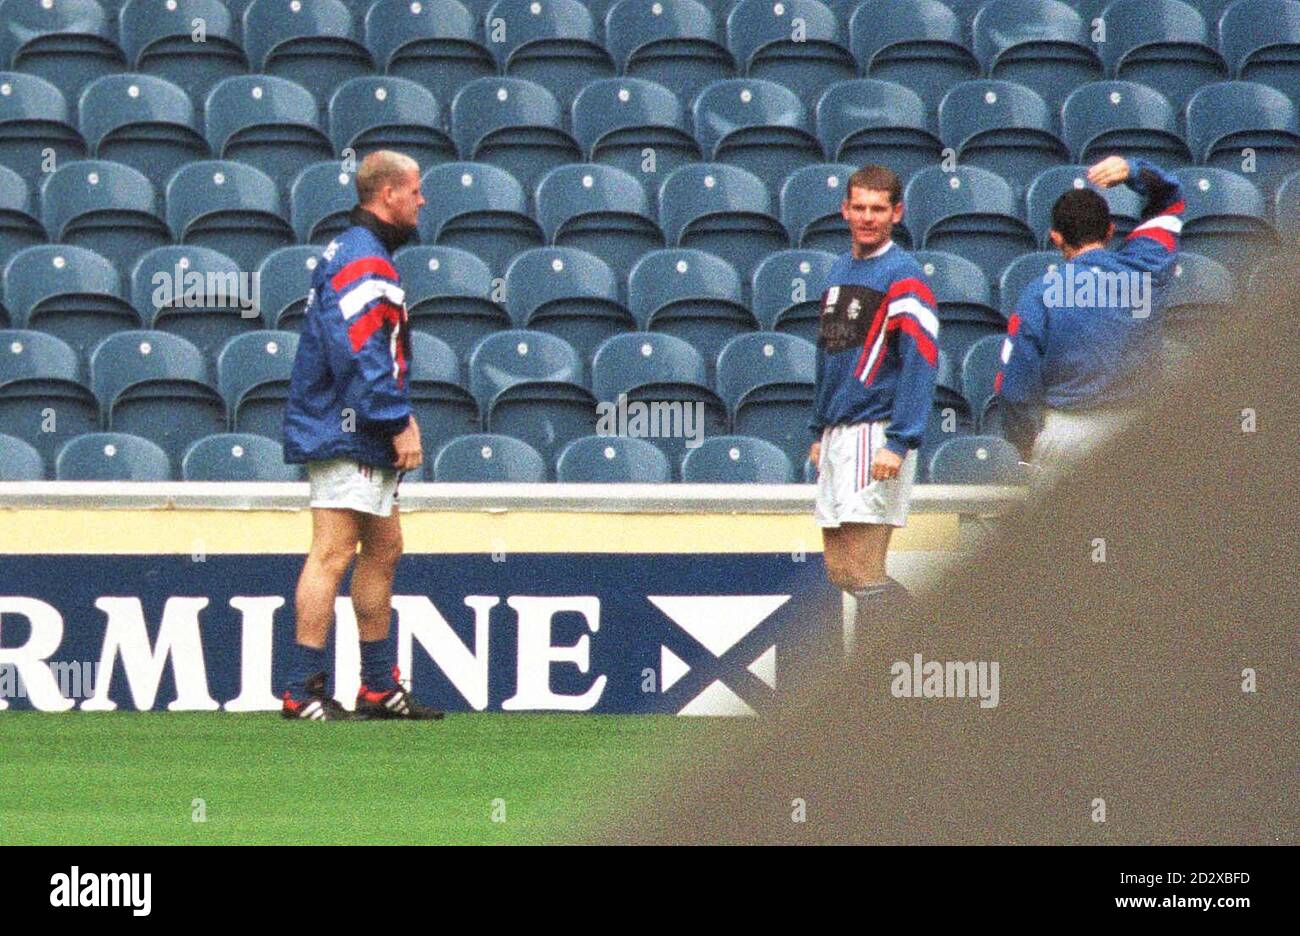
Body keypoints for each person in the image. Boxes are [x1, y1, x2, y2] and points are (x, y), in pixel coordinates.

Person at [280, 150, 441, 721]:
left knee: (385, 547)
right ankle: (301, 691)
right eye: (416, 191)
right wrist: (395, 419)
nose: (423, 201)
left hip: (354, 426)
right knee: (330, 553)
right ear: (390, 193)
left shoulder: (360, 254)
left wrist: (397, 414)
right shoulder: (362, 259)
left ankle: (376, 686)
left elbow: (371, 353)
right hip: (345, 429)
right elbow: (361, 351)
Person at [809, 165, 940, 635]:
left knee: (865, 572)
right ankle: (926, 635)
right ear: (844, 209)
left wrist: (900, 439)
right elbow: (830, 354)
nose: (868, 217)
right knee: (839, 570)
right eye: (859, 207)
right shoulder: (838, 270)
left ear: (897, 213)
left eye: (878, 209)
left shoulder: (904, 274)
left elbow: (922, 359)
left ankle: (897, 672)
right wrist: (818, 428)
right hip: (838, 431)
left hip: (877, 431)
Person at [995, 156, 1184, 478]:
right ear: (1110, 230)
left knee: (1064, 530)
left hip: (1067, 438)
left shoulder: (1039, 294)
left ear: (1055, 237)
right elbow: (1172, 201)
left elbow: (1013, 390)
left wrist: (1030, 444)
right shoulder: (1146, 271)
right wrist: (1132, 170)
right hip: (1135, 437)